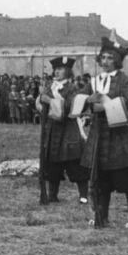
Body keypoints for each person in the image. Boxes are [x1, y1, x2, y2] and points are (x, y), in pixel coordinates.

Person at [81, 37, 128, 229]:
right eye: (103, 57)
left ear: (117, 61)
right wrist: (87, 100)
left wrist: (106, 105)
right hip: (98, 135)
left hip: (119, 135)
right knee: (99, 179)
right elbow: (79, 100)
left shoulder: (125, 80)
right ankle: (102, 216)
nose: (106, 61)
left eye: (110, 58)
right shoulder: (94, 81)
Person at [38, 57, 90, 204]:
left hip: (68, 130)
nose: (57, 72)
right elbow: (43, 108)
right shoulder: (50, 86)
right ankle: (52, 195)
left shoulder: (72, 88)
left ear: (67, 72)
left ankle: (83, 196)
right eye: (56, 69)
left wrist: (49, 100)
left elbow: (69, 107)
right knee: (53, 165)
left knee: (75, 163)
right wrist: (41, 99)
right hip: (53, 130)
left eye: (60, 69)